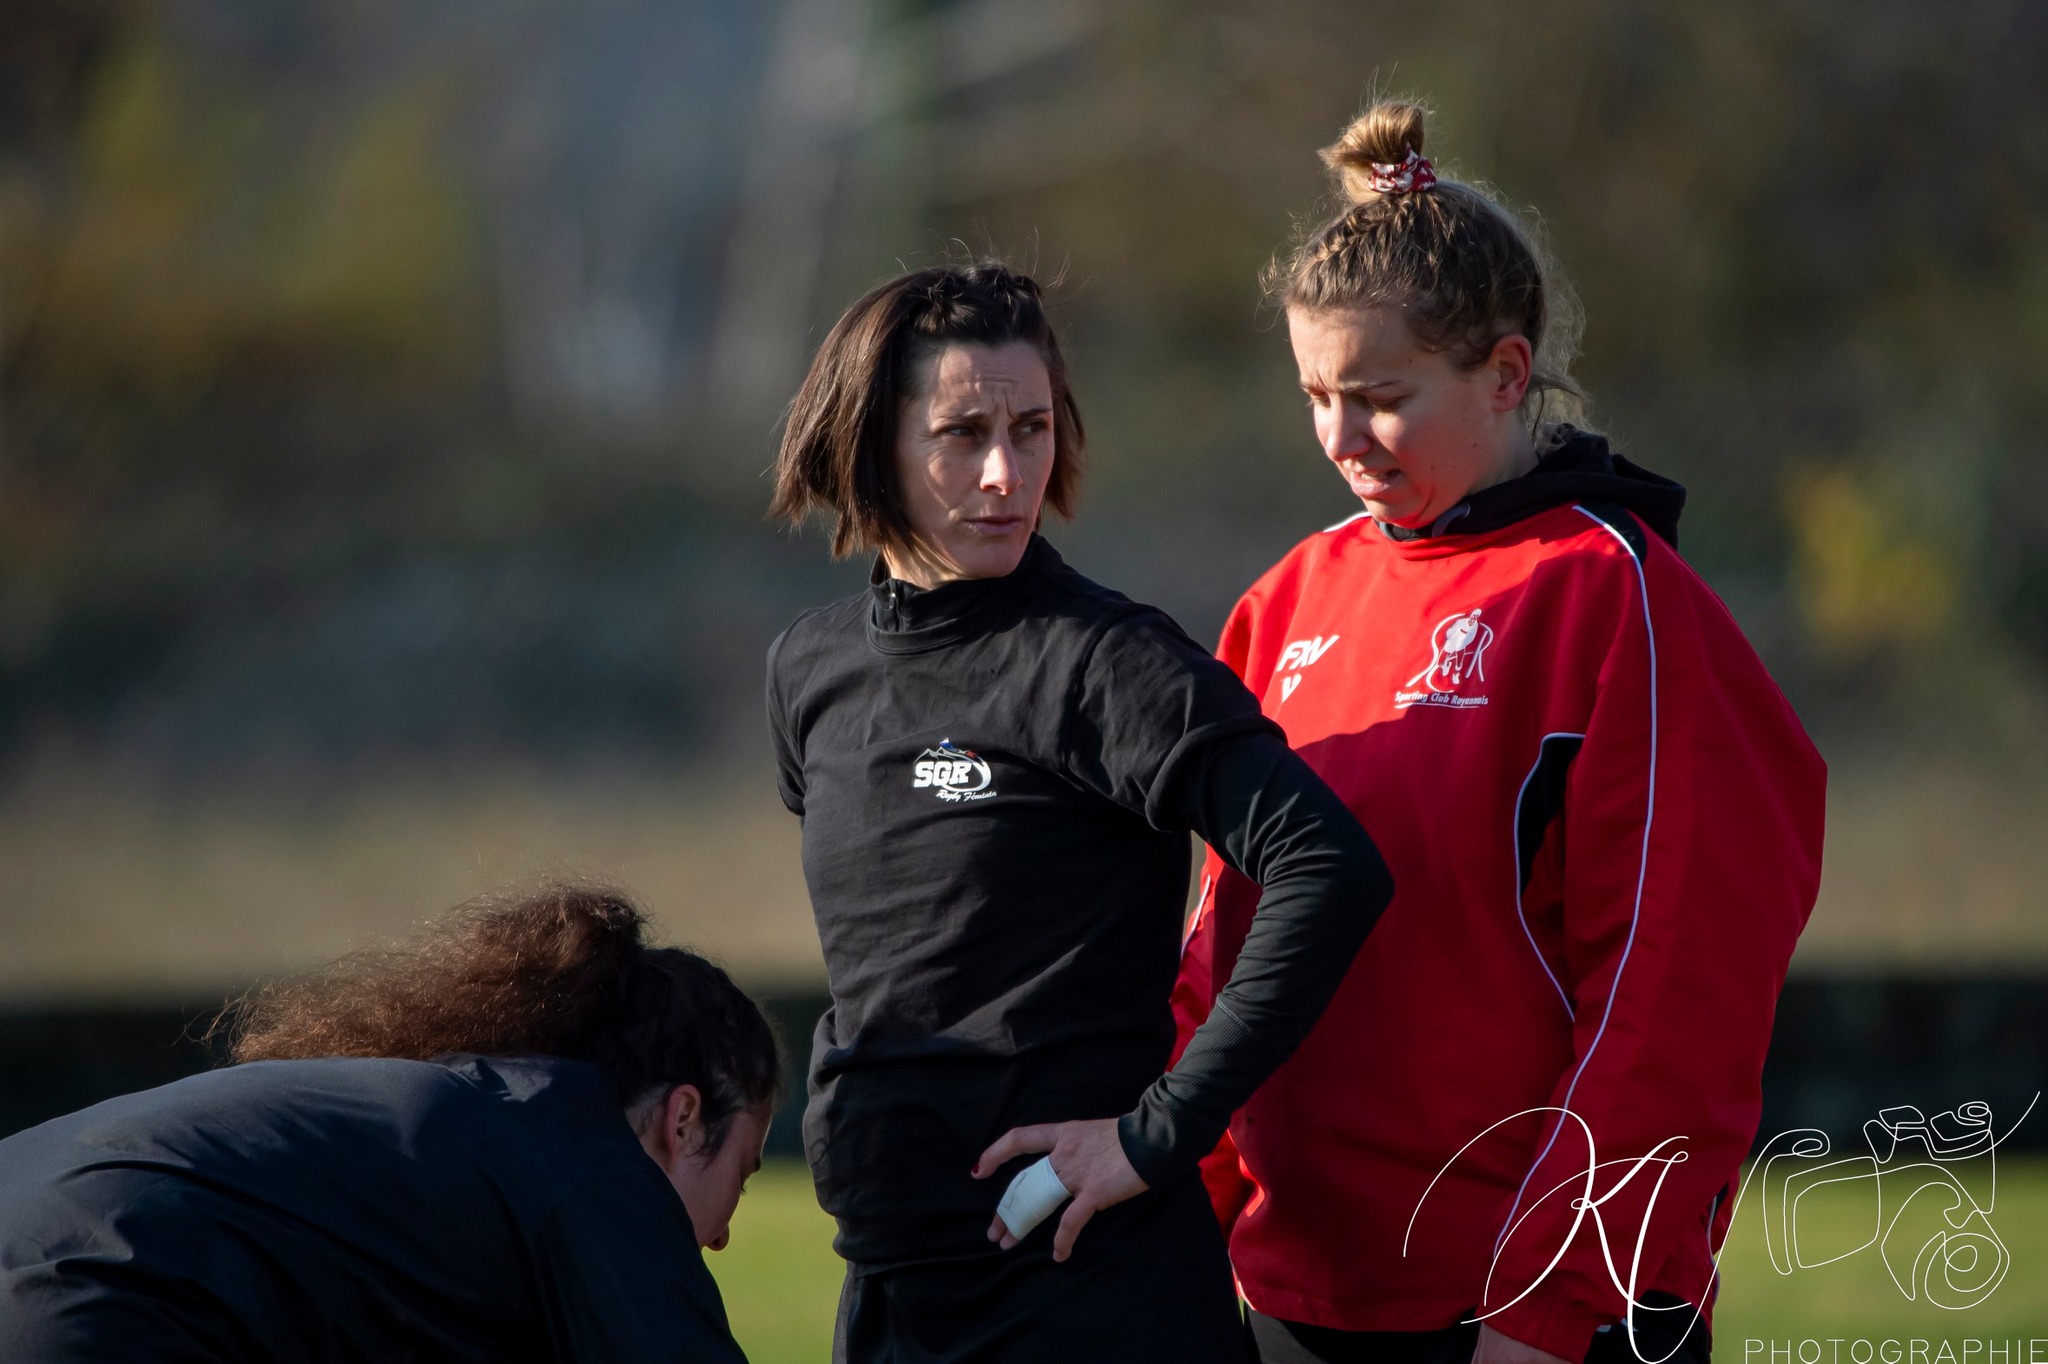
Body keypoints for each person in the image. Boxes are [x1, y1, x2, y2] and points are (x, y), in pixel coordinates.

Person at [1171, 100, 1827, 1364]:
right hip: (1291, 1293)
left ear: (1507, 373)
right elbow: (1219, 949)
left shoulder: (1615, 598)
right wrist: (1185, 1214)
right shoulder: (1286, 599)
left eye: (1380, 398)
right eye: (1315, 396)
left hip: (1525, 1309)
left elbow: (1675, 995)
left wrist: (1555, 1297)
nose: (1341, 439)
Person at [765, 261, 1396, 1363]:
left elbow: (1327, 863)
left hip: (1082, 1289)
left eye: (1031, 426)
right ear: (873, 443)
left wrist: (1155, 1135)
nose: (1005, 472)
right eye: (961, 433)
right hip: (890, 1283)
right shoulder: (809, 669)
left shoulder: (1106, 659)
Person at [0, 884, 782, 1363]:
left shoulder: (470, 1140)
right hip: (101, 1303)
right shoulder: (591, 1164)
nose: (717, 1239)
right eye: (742, 1174)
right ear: (682, 1121)